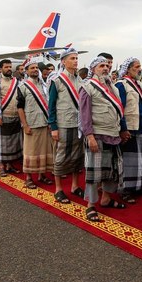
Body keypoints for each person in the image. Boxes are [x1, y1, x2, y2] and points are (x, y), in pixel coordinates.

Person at [79, 57, 131, 222]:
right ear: (93, 69)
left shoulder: (113, 87)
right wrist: (89, 136)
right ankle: (91, 205)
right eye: (101, 66)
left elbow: (119, 110)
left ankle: (106, 198)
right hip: (97, 135)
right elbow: (84, 115)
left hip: (113, 135)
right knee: (94, 173)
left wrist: (123, 129)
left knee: (112, 171)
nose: (106, 68)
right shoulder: (87, 87)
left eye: (107, 65)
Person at [47, 47, 85, 203]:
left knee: (77, 156)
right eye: (72, 58)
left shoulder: (81, 80)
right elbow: (51, 105)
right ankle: (58, 189)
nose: (76, 61)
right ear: (63, 61)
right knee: (61, 156)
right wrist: (53, 127)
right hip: (63, 124)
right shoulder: (56, 80)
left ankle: (75, 186)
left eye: (76, 58)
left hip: (78, 124)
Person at [115, 57, 142, 202]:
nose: (139, 69)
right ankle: (125, 189)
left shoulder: (140, 85)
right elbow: (120, 108)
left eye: (139, 66)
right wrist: (123, 128)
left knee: (140, 159)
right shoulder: (121, 85)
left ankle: (139, 186)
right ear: (128, 68)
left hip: (140, 125)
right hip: (129, 126)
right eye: (136, 66)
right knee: (128, 160)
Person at [17, 58, 54, 188]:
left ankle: (42, 175)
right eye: (32, 68)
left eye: (37, 68)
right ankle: (28, 178)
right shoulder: (23, 86)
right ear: (26, 71)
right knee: (30, 151)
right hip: (31, 124)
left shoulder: (44, 85)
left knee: (44, 150)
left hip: (44, 122)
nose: (35, 70)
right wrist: (25, 125)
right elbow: (20, 107)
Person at [0, 59, 23, 176]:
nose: (9, 69)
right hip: (3, 116)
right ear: (1, 68)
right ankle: (2, 167)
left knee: (13, 142)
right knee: (3, 143)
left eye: (10, 67)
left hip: (15, 116)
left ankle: (10, 165)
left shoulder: (16, 81)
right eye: (6, 67)